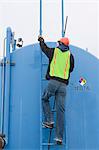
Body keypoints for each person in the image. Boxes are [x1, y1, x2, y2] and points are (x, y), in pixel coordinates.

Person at [38, 36, 74, 144]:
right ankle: (59, 137)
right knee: (60, 112)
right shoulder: (70, 56)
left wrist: (41, 41)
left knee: (44, 99)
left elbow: (44, 49)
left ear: (60, 43)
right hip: (63, 86)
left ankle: (49, 121)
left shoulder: (54, 52)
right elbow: (71, 69)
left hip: (53, 82)